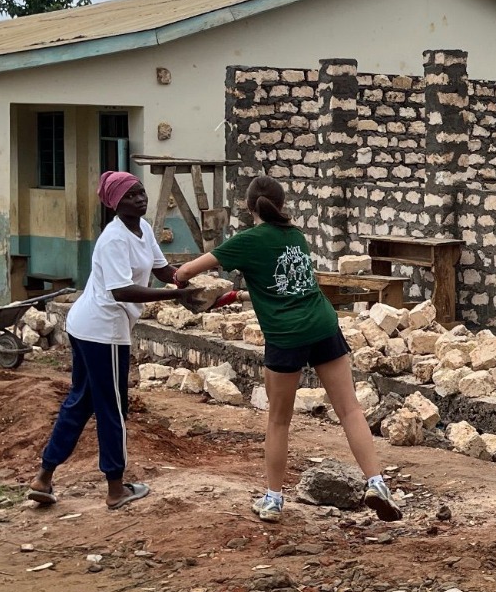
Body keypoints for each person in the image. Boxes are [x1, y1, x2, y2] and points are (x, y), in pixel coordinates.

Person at [174, 176, 402, 524]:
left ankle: (273, 500)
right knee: (350, 410)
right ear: (281, 204)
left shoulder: (245, 241)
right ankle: (377, 483)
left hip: (285, 334)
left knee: (279, 420)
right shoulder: (296, 236)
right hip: (322, 323)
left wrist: (177, 281)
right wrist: (237, 295)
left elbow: (186, 272)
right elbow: (285, 285)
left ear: (248, 206)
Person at [27, 171, 194, 510]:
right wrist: (175, 296)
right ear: (115, 203)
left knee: (81, 401)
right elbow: (122, 291)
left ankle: (43, 478)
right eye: (131, 195)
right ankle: (116, 489)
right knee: (112, 408)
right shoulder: (114, 239)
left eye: (141, 192)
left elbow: (163, 270)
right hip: (104, 331)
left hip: (90, 327)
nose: (140, 199)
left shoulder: (143, 229)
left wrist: (189, 281)